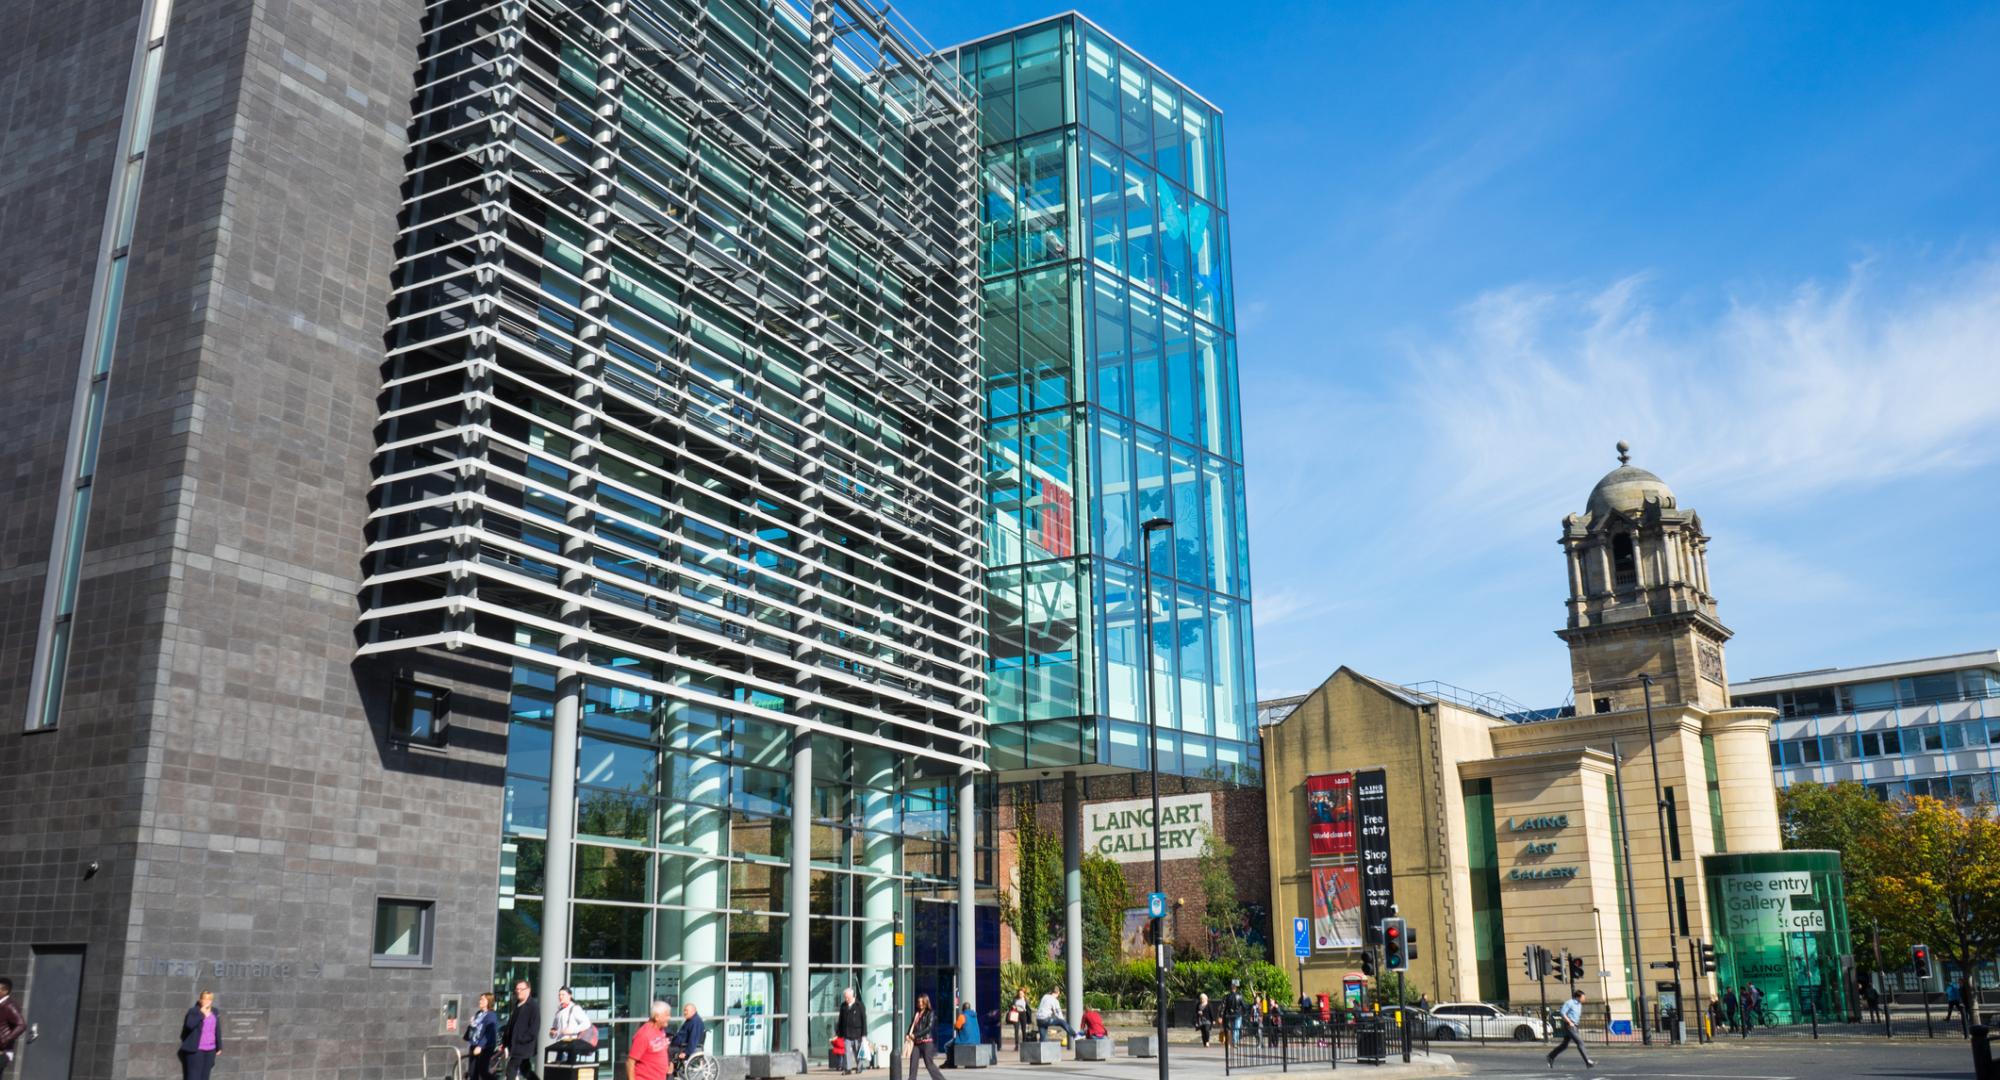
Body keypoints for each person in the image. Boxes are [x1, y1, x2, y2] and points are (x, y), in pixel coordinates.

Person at [499, 979, 540, 1080]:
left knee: (511, 1070)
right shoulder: (517, 1005)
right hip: (515, 1045)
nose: (518, 991)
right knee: (525, 1070)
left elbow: (534, 1029)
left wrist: (521, 1039)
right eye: (517, 989)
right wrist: (505, 1042)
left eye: (521, 989)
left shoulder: (533, 1006)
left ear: (528, 990)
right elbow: (510, 1025)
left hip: (523, 1046)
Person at [178, 990, 223, 1080]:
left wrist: (219, 1046)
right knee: (193, 1077)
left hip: (210, 1050)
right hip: (196, 1050)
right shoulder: (194, 1011)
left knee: (205, 1077)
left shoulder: (215, 1011)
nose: (207, 1001)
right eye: (205, 999)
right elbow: (189, 1025)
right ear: (200, 1000)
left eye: (209, 999)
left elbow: (217, 1029)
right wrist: (201, 1014)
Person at [1545, 989, 1595, 1070]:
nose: (1584, 999)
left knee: (1564, 1045)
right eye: (1583, 997)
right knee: (1580, 1042)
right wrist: (1569, 1021)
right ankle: (1587, 1062)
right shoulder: (1570, 1003)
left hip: (1575, 1026)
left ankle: (1550, 1056)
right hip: (1570, 1026)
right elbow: (1562, 1012)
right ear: (1578, 997)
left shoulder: (1579, 1004)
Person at [627, 1002, 673, 1080]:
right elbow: (630, 1062)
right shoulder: (644, 1034)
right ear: (657, 1017)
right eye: (667, 1015)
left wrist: (669, 1063)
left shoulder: (661, 1030)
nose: (669, 1018)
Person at [905, 993, 946, 1080]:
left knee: (929, 1064)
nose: (920, 1004)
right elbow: (912, 1025)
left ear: (926, 1002)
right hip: (916, 1043)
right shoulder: (917, 1014)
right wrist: (908, 1034)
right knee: (913, 1065)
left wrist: (915, 1035)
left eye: (922, 1002)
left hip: (926, 1042)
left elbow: (928, 1028)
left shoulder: (930, 1013)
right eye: (919, 1002)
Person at [547, 986, 592, 1064]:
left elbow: (587, 1023)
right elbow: (554, 1028)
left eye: (563, 995)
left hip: (570, 1046)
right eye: (559, 995)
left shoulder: (575, 1008)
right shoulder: (559, 1011)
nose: (560, 997)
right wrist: (552, 1033)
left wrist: (573, 1030)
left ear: (569, 996)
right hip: (560, 1046)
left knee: (566, 1072)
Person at [465, 992, 500, 1080]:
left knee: (483, 1071)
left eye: (482, 999)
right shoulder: (479, 1014)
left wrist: (480, 1046)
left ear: (488, 1001)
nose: (480, 1001)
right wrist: (472, 1024)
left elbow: (489, 1033)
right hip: (474, 1045)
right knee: (472, 1072)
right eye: (480, 999)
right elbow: (475, 1028)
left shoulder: (491, 1015)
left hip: (485, 1047)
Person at [837, 987, 869, 1074]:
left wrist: (864, 1034)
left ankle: (859, 1067)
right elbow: (841, 1020)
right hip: (847, 1033)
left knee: (858, 1051)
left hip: (857, 1033)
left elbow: (864, 1020)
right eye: (845, 997)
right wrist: (839, 1033)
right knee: (847, 1052)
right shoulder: (843, 1006)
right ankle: (848, 1068)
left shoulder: (859, 1005)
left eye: (848, 997)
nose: (846, 999)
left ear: (852, 996)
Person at [669, 1002, 707, 1072]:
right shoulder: (690, 1020)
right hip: (678, 1043)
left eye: (686, 1010)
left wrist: (686, 1052)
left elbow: (693, 1040)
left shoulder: (695, 1022)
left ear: (693, 1011)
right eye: (684, 1010)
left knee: (667, 1050)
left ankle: (669, 1073)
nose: (684, 1012)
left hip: (682, 1047)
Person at [0, 979, 23, 1080]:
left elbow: (21, 1025)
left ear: (5, 991)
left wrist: (5, 1040)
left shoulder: (9, 1005)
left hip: (2, 1052)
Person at [1223, 982, 1247, 1046]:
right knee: (1236, 1028)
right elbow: (1244, 1005)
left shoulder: (1227, 996)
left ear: (1230, 989)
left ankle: (1234, 1041)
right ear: (1235, 989)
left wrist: (1223, 1014)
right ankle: (1235, 1042)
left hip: (1230, 1015)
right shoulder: (1239, 996)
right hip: (1238, 1014)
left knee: (1234, 1028)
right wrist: (1245, 1012)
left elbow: (1225, 1006)